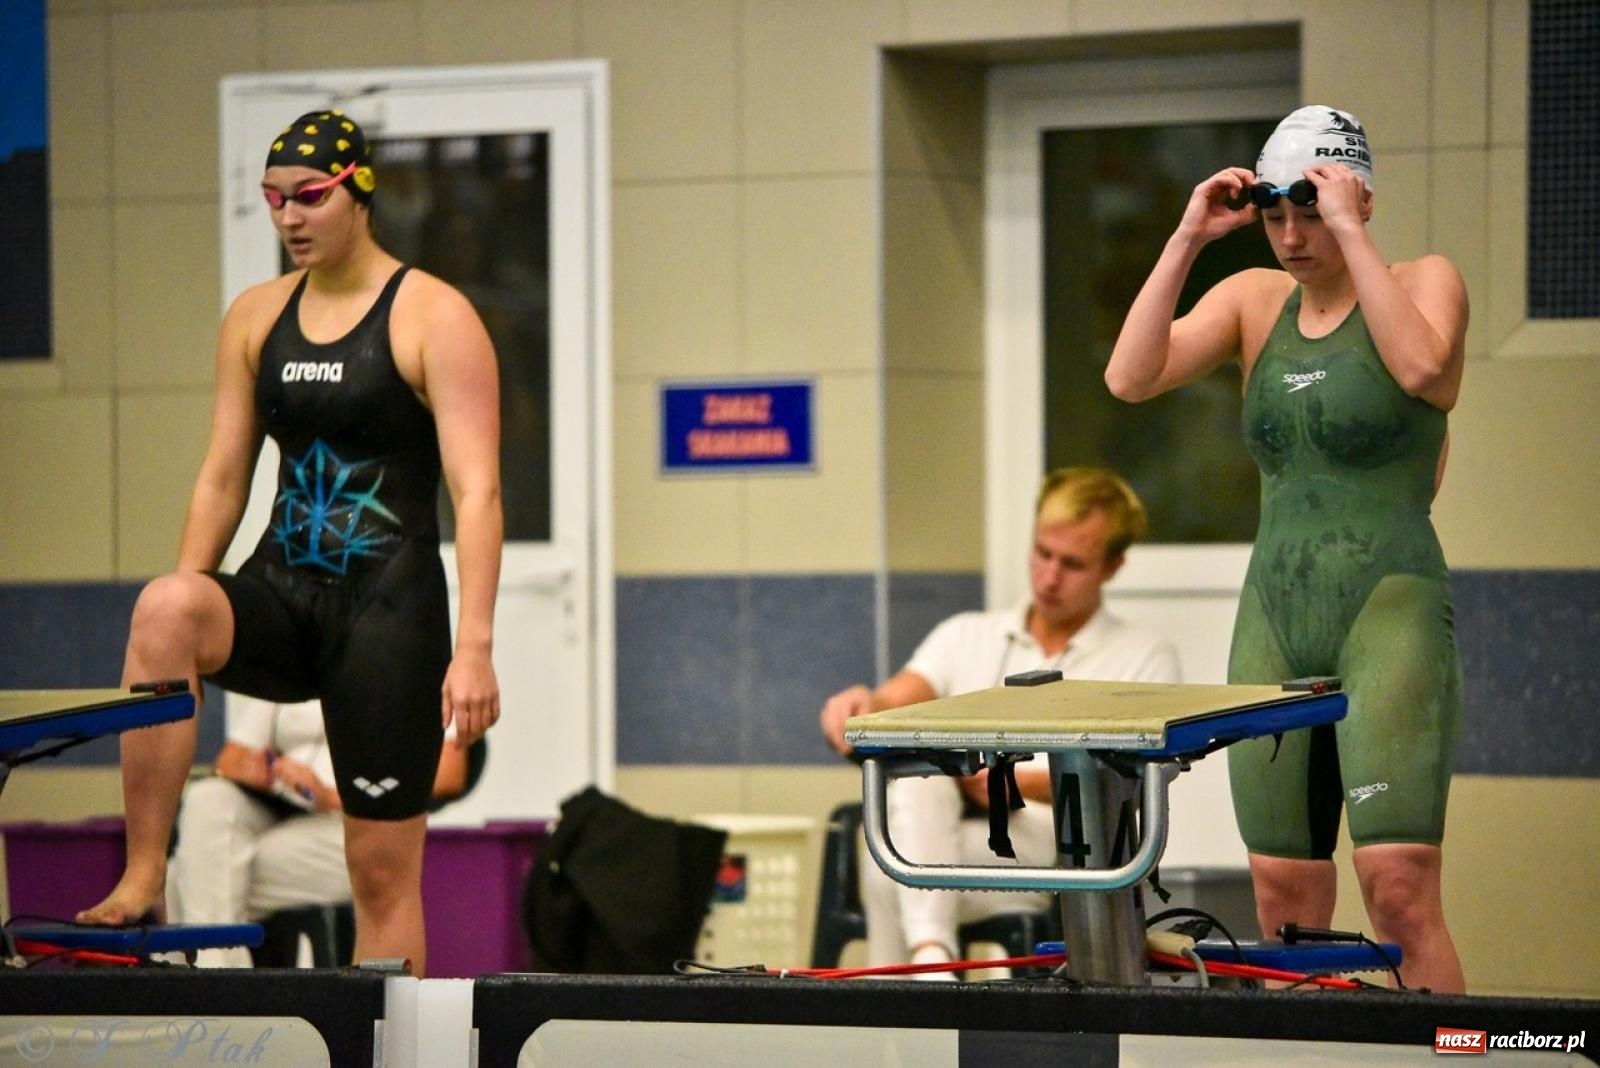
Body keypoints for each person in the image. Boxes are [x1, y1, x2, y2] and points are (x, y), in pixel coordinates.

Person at [77, 110, 504, 978]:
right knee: (164, 606)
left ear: (360, 192)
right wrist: (188, 617)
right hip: (282, 594)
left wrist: (474, 651)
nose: (289, 218)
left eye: (309, 197)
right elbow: (222, 478)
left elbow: (479, 491)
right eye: (274, 201)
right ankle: (144, 869)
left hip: (388, 616)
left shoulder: (433, 315)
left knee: (379, 877)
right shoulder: (255, 318)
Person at [1103, 105, 1467, 992]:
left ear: (1360, 200)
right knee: (1284, 903)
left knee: (1399, 892)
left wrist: (1349, 226)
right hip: (1275, 615)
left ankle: (1463, 1057)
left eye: (1312, 211)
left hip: (1390, 609)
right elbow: (1130, 376)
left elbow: (1426, 371)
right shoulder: (1253, 303)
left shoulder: (1426, 279)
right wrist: (1189, 238)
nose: (1293, 237)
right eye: (1277, 216)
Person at [820, 468, 1180, 976]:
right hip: (950, 832)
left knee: (887, 871)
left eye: (1072, 563)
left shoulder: (1143, 657)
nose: (1049, 577)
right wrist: (861, 703)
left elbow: (1137, 779)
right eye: (1042, 553)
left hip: (1051, 842)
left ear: (1113, 566)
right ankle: (933, 963)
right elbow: (894, 703)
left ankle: (905, 1012)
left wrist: (1016, 783)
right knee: (917, 783)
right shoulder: (966, 634)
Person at [166, 696, 471, 968]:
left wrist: (333, 794)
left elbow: (449, 773)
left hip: (359, 821)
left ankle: (205, 993)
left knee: (182, 876)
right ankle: (218, 987)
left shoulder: (412, 660)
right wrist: (262, 772)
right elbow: (230, 758)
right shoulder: (292, 664)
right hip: (281, 809)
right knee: (207, 797)